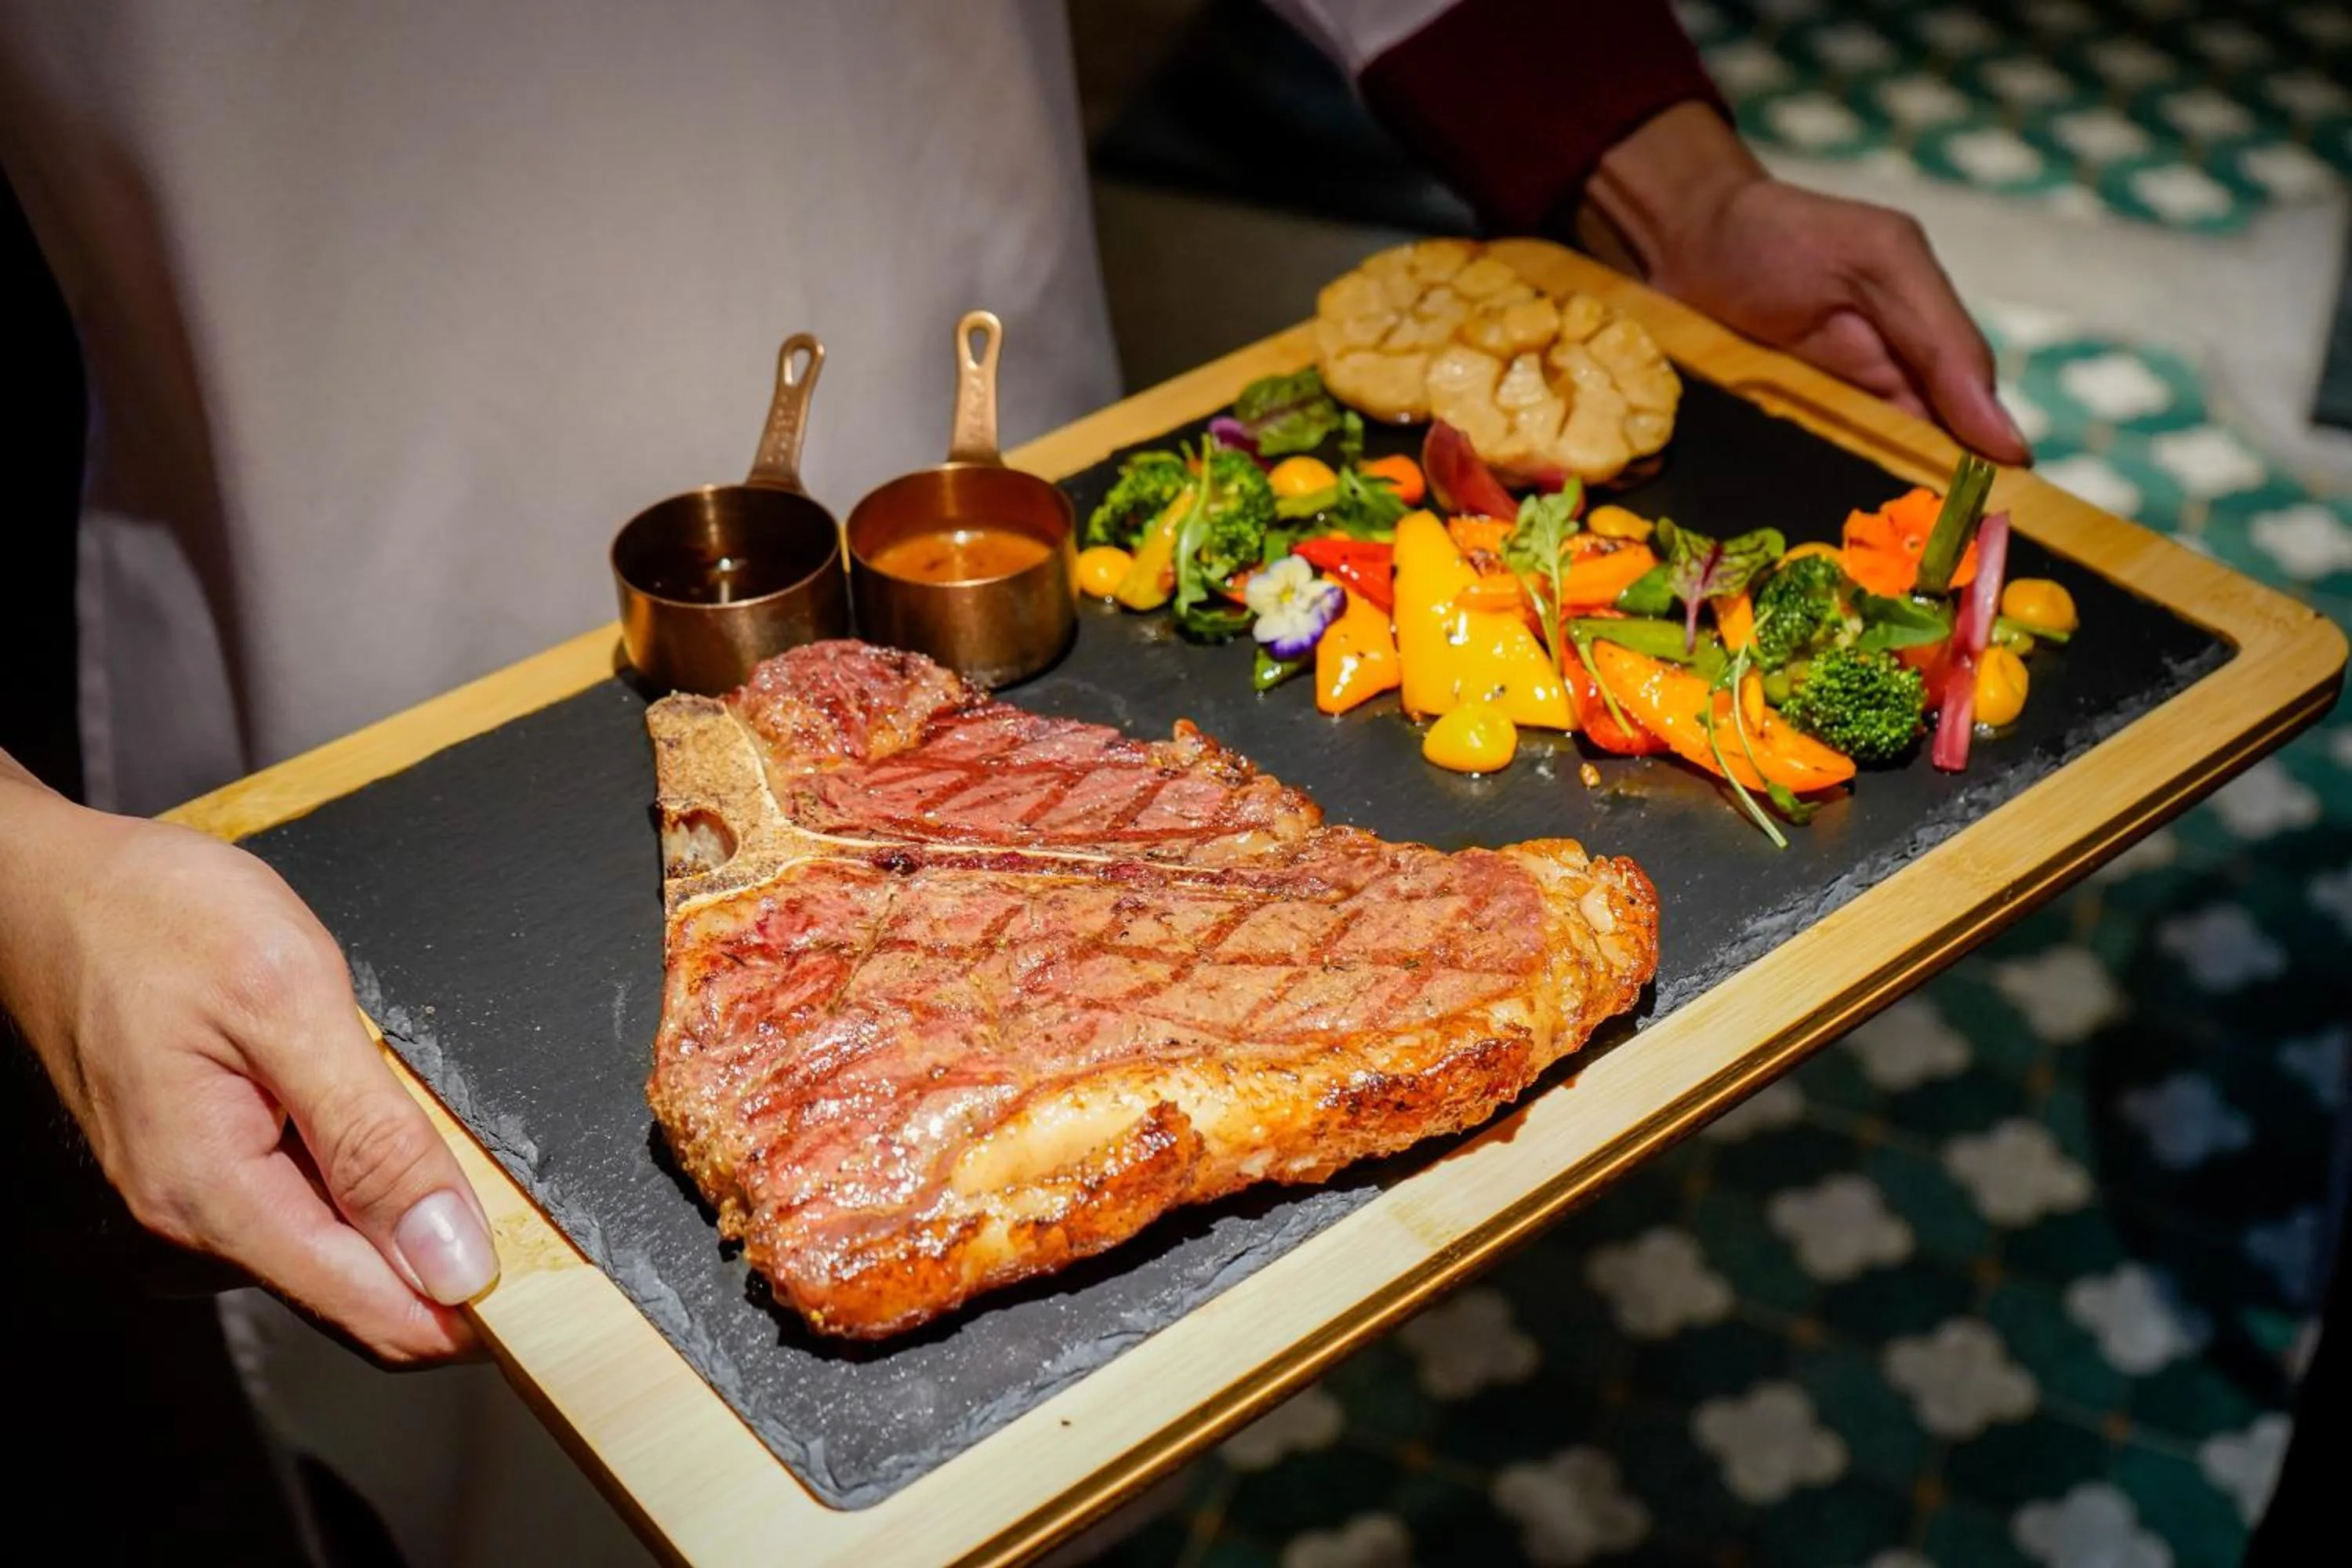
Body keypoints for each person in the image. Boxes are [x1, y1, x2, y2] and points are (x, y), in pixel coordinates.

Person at [0, 1, 2029, 1559]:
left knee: (1097, 1451)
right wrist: (27, 883)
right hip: (323, 615)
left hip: (997, 502)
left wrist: (1650, 170)